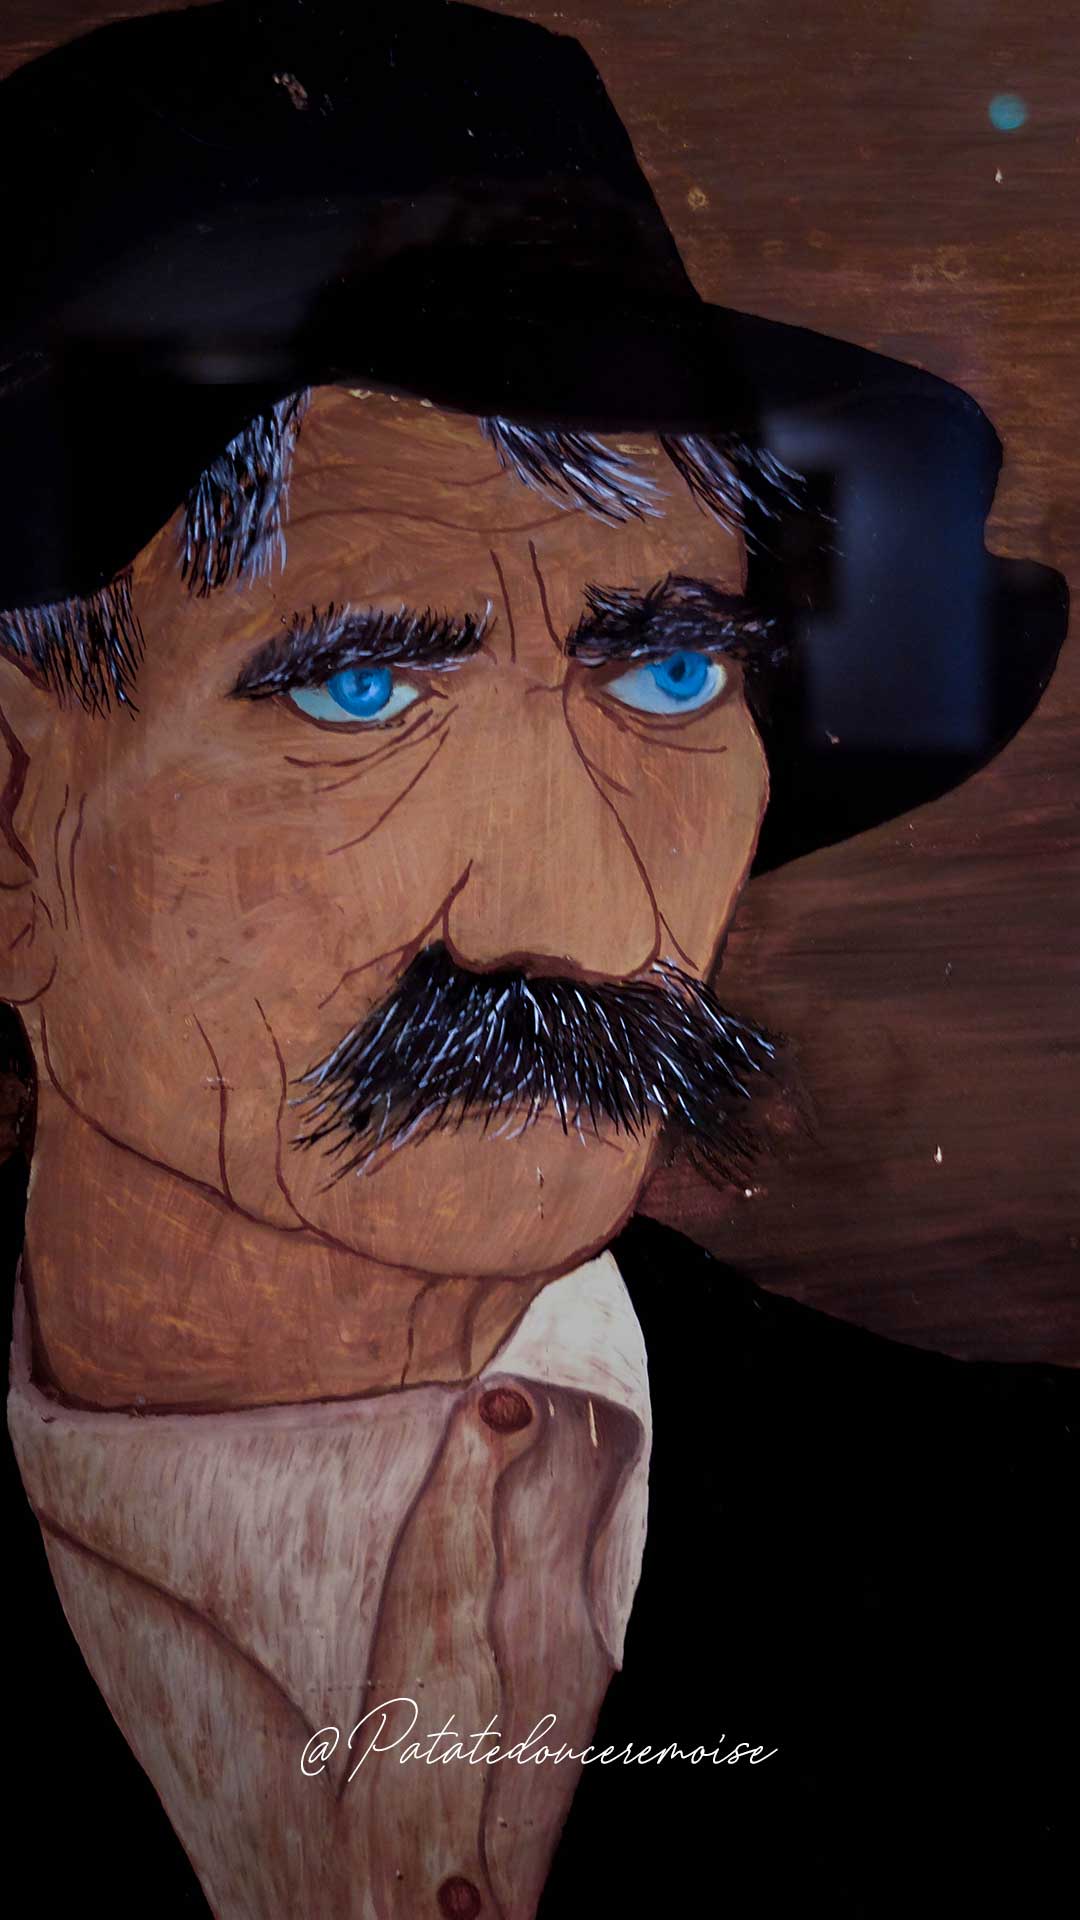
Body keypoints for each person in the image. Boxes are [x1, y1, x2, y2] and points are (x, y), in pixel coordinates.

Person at [0, 2, 1072, 1915]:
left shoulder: (1021, 1554)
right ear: (14, 821)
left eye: (671, 671)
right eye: (358, 689)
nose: (575, 913)